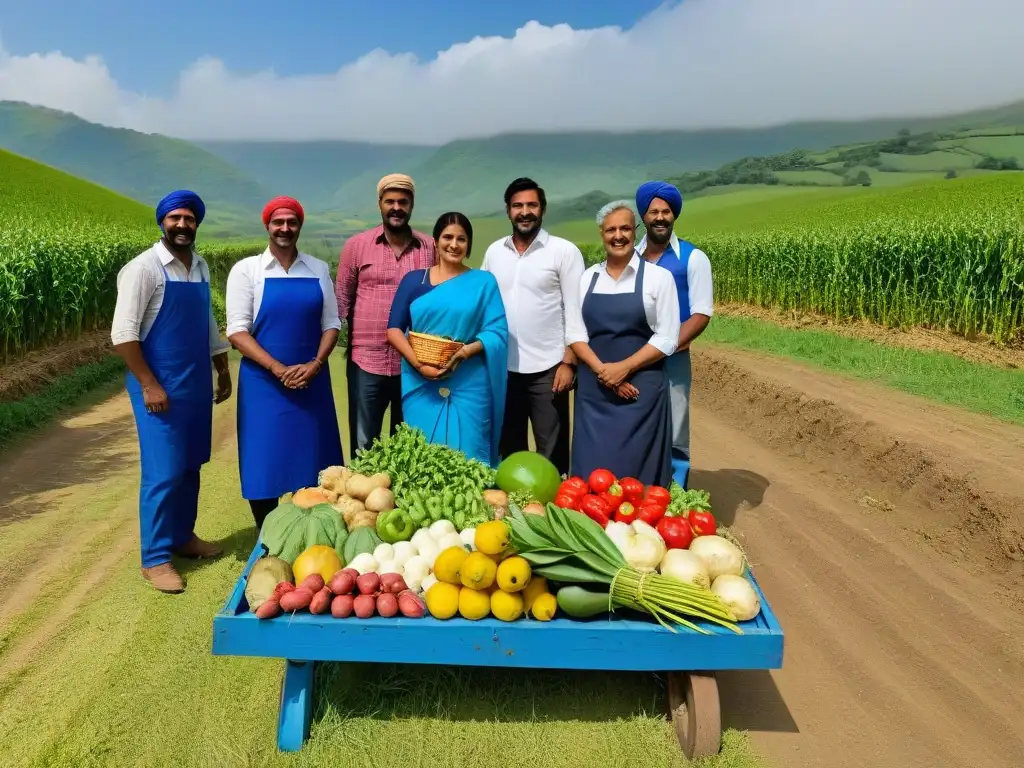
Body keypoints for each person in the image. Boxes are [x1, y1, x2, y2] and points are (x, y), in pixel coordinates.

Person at [111, 189, 233, 594]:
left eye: (189, 219)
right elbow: (123, 335)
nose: (182, 225)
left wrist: (221, 368)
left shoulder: (198, 267)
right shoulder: (143, 269)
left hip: (195, 382)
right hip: (158, 387)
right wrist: (148, 384)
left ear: (197, 224)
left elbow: (206, 324)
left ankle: (183, 537)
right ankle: (155, 558)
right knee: (163, 472)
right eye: (175, 218)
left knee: (192, 464)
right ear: (162, 222)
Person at [226, 196, 344, 529]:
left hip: (312, 381)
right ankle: (267, 534)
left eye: (292, 222)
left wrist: (316, 363)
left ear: (300, 227)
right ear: (268, 226)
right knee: (265, 459)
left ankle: (316, 529)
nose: (285, 228)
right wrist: (278, 369)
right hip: (264, 384)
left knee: (314, 459)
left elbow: (332, 323)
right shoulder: (247, 271)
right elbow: (237, 330)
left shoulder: (318, 269)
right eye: (278, 222)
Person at [564, 200, 681, 487]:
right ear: (602, 234)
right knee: (592, 479)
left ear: (635, 231)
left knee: (639, 482)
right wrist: (606, 374)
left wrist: (624, 369)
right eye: (611, 230)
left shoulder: (659, 279)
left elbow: (667, 338)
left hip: (640, 393)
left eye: (625, 228)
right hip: (595, 394)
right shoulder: (586, 278)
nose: (618, 236)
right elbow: (575, 334)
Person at [386, 212, 508, 466]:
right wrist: (420, 366)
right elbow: (394, 330)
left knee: (470, 454)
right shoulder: (413, 281)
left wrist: (463, 353)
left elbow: (497, 331)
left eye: (461, 239)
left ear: (469, 244)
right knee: (422, 455)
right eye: (448, 237)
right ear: (435, 241)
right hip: (420, 381)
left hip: (470, 382)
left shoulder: (483, 282)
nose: (454, 244)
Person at [480, 177, 584, 475]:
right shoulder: (494, 252)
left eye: (531, 205)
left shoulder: (564, 252)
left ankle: (552, 510)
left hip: (550, 367)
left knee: (551, 449)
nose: (524, 212)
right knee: (509, 447)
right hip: (504, 367)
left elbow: (576, 310)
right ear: (508, 211)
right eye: (517, 206)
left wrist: (569, 361)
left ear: (543, 209)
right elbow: (483, 305)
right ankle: (515, 508)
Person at [335, 174, 437, 453]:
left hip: (414, 362)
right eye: (390, 201)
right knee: (364, 443)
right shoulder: (357, 246)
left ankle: (401, 498)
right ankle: (361, 496)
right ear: (379, 204)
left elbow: (442, 299)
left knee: (408, 444)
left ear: (412, 205)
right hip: (366, 360)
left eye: (403, 202)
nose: (396, 207)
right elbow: (341, 302)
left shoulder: (430, 248)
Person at [634, 181, 714, 489]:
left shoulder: (693, 258)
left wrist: (665, 346)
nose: (660, 217)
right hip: (635, 358)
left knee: (676, 426)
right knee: (637, 424)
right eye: (653, 211)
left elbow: (701, 313)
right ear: (644, 216)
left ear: (674, 215)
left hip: (673, 359)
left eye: (666, 211)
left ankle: (674, 493)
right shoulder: (631, 258)